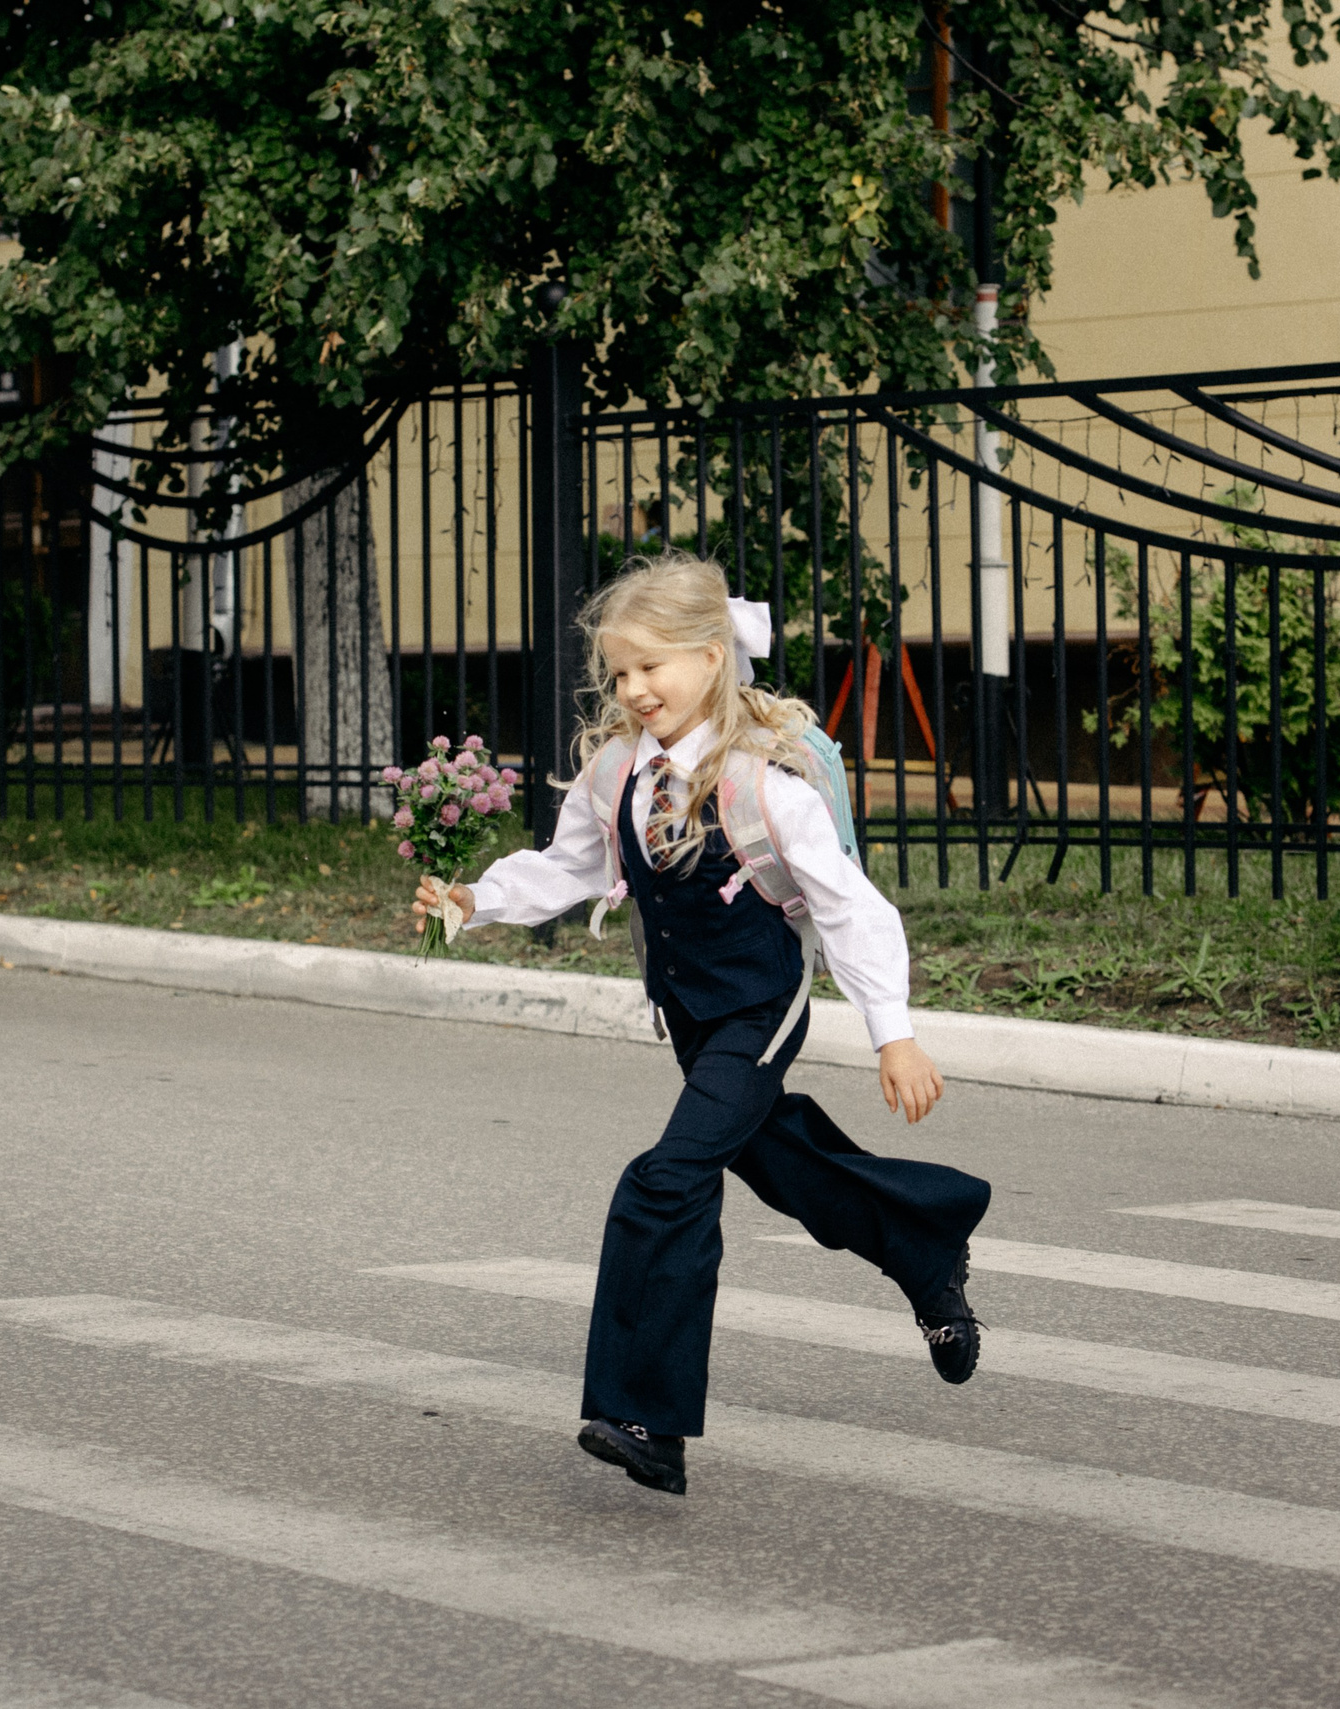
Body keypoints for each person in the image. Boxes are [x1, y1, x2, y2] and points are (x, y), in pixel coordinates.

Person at [414, 552, 992, 1496]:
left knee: (667, 1178)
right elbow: (568, 866)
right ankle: (927, 1250)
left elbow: (850, 907)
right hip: (689, 1013)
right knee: (782, 1159)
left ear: (713, 657)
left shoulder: (766, 782)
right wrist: (474, 900)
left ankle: (648, 1417)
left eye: (652, 666)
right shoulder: (618, 770)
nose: (634, 689)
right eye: (620, 672)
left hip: (760, 1007)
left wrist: (893, 1032)